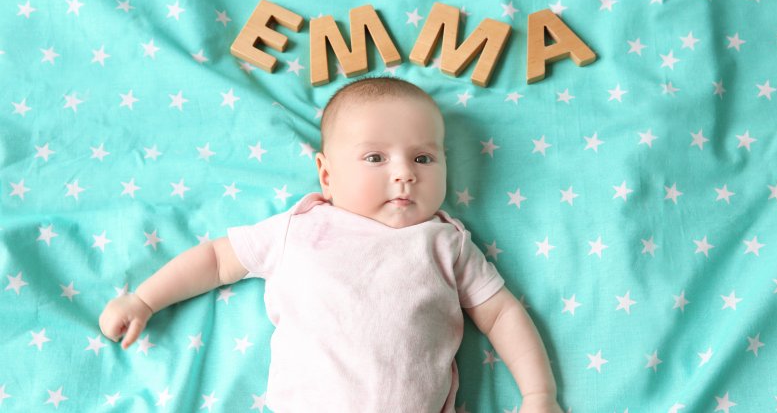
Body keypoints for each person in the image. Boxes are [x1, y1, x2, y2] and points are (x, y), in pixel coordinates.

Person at [99, 76, 562, 413]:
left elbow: (501, 313)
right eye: (375, 157)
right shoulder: (300, 227)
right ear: (326, 174)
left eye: (423, 157)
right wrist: (145, 299)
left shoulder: (445, 243)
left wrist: (539, 394)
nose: (404, 172)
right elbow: (218, 259)